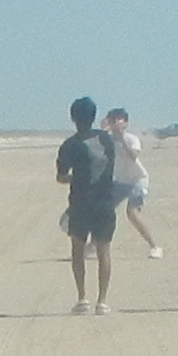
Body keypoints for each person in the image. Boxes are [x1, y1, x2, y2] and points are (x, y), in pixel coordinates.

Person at [54, 97, 120, 312]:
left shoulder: (69, 145)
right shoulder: (106, 141)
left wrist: (77, 178)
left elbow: (62, 177)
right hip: (104, 201)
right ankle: (102, 301)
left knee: (78, 250)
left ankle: (82, 298)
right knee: (104, 251)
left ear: (73, 118)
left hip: (80, 202)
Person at [104, 109, 165, 258]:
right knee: (104, 211)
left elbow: (133, 156)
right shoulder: (107, 140)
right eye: (112, 120)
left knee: (132, 213)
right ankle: (95, 244)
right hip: (120, 181)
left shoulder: (132, 139)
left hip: (138, 180)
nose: (115, 123)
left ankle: (155, 246)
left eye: (119, 120)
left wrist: (121, 139)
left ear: (125, 123)